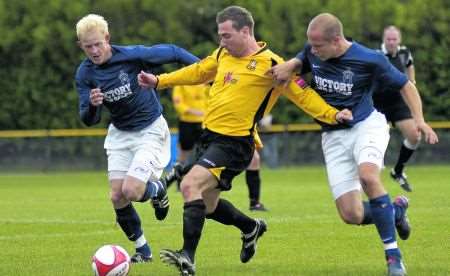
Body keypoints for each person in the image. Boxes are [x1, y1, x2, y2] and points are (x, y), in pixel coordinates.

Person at [138, 6, 352, 275]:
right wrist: (159, 80)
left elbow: (304, 95)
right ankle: (251, 227)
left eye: (226, 35)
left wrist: (333, 114)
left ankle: (187, 256)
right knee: (208, 206)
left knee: (189, 185)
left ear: (246, 31)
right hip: (209, 137)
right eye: (220, 35)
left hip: (234, 143)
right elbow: (197, 72)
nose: (222, 41)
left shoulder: (272, 64)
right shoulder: (222, 54)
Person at [268, 13, 439, 276]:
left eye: (317, 46)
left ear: (336, 40)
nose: (312, 50)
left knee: (368, 177)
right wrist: (290, 65)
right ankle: (394, 212)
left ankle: (393, 257)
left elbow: (406, 85)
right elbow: (301, 58)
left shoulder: (370, 59)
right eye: (310, 45)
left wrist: (420, 120)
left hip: (366, 126)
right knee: (352, 214)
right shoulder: (313, 52)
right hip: (333, 136)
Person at [74, 14, 199, 263]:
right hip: (120, 134)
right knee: (117, 196)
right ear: (81, 45)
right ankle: (143, 250)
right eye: (88, 46)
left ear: (107, 39)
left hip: (149, 129)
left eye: (98, 44)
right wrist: (92, 105)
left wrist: (207, 68)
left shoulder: (132, 55)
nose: (94, 50)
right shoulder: (85, 74)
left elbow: (173, 52)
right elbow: (88, 119)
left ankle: (157, 189)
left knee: (131, 190)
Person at [167, 85, 269, 211]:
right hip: (202, 124)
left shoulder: (225, 82)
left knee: (254, 160)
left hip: (230, 125)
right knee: (187, 155)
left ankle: (254, 203)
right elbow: (179, 104)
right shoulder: (186, 83)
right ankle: (177, 179)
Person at [373, 26, 420, 192]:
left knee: (415, 136)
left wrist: (412, 84)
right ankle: (372, 178)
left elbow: (409, 65)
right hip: (378, 105)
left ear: (399, 40)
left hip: (398, 103)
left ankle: (398, 171)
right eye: (389, 39)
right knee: (376, 142)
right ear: (384, 40)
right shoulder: (376, 55)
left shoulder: (405, 53)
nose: (392, 42)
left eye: (395, 39)